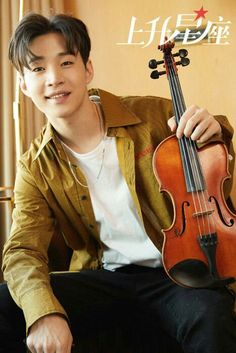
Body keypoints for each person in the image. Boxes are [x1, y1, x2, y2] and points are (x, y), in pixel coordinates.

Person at [1, 12, 236, 353]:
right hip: (105, 276)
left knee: (211, 315)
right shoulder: (35, 167)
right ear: (23, 84)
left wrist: (215, 131)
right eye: (38, 69)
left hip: (174, 276)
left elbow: (214, 173)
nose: (53, 78)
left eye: (66, 62)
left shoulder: (153, 115)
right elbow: (22, 250)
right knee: (7, 303)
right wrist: (43, 314)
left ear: (87, 69)